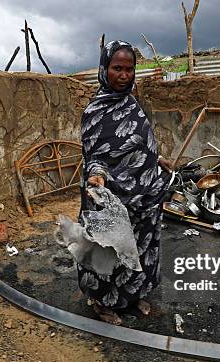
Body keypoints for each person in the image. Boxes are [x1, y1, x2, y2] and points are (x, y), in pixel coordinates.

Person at [77, 40, 173, 325]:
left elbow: (135, 142)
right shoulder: (95, 111)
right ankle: (101, 302)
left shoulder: (131, 103)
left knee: (141, 246)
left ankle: (132, 295)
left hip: (143, 194)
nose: (124, 75)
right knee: (108, 250)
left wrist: (156, 159)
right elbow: (96, 154)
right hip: (109, 194)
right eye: (117, 68)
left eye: (129, 69)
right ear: (104, 69)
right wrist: (97, 176)